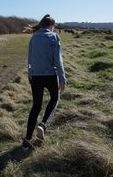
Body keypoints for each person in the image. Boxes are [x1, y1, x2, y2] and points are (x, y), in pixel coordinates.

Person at [22, 14, 67, 151]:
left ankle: (26, 142)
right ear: (52, 26)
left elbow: (29, 58)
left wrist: (30, 75)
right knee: (55, 98)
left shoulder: (34, 38)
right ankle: (43, 124)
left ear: (42, 25)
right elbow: (58, 61)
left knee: (36, 106)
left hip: (35, 76)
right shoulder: (54, 37)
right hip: (50, 75)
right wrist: (63, 78)